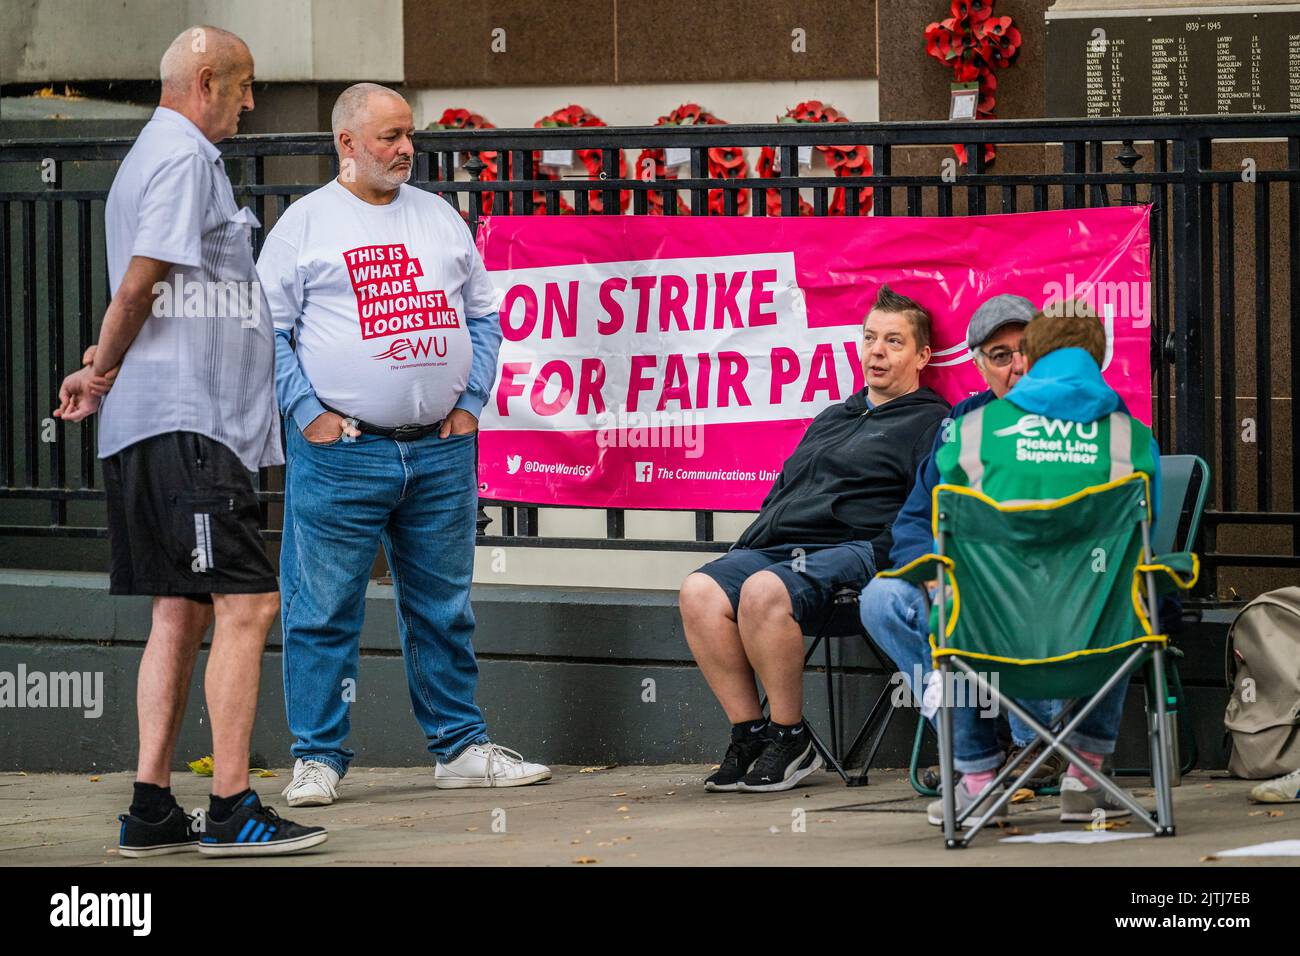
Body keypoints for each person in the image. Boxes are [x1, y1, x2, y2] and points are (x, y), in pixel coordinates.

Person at [53, 26, 326, 856]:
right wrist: (104, 369)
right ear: (206, 80)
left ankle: (151, 807)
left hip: (165, 424)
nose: (250, 103)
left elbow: (150, 290)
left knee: (180, 609)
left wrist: (103, 361)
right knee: (249, 604)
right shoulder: (182, 158)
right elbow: (143, 277)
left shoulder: (153, 154)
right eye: (243, 86)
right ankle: (234, 806)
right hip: (193, 427)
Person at [258, 83, 549, 806]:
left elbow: (484, 317)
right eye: (388, 136)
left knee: (444, 607)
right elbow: (265, 329)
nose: (405, 148)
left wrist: (471, 402)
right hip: (342, 452)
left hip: (440, 451)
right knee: (322, 609)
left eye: (408, 134)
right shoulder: (305, 225)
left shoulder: (440, 216)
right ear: (346, 143)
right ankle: (317, 758)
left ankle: (458, 748)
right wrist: (307, 412)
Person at [890, 307, 1162, 826]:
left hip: (991, 641)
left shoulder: (970, 436)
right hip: (1094, 641)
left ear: (1031, 358)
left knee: (951, 605)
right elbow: (1143, 547)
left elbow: (938, 524)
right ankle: (1084, 777)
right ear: (1098, 359)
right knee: (1132, 591)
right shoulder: (1132, 439)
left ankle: (977, 783)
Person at [679, 286, 950, 792]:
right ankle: (751, 734)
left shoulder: (932, 422)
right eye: (870, 338)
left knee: (763, 590)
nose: (877, 351)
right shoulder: (833, 416)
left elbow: (927, 511)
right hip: (778, 549)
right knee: (698, 592)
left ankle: (791, 737)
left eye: (894, 341)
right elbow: (784, 491)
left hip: (859, 553)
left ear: (922, 356)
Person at [861, 294, 1066, 788]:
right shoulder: (959, 427)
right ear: (978, 364)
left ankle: (1035, 742)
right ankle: (973, 743)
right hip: (959, 582)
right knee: (881, 599)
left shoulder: (1078, 421)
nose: (1017, 366)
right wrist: (932, 573)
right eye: (999, 355)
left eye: (1028, 351)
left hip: (1049, 584)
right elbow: (914, 521)